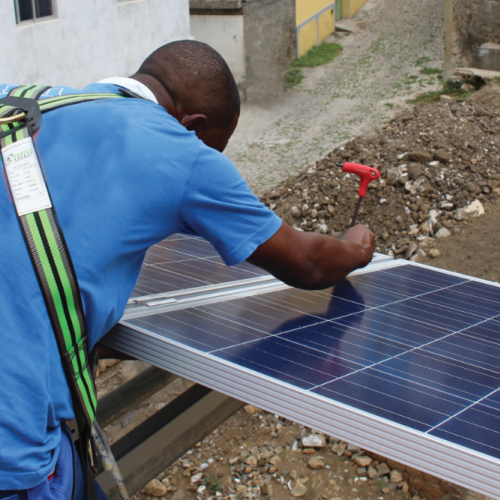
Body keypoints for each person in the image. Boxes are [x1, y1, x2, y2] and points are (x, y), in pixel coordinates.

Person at [0, 40, 374, 498]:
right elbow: (310, 264)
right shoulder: (179, 150)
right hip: (12, 455)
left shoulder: (18, 103)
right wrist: (355, 247)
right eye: (215, 147)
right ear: (191, 125)